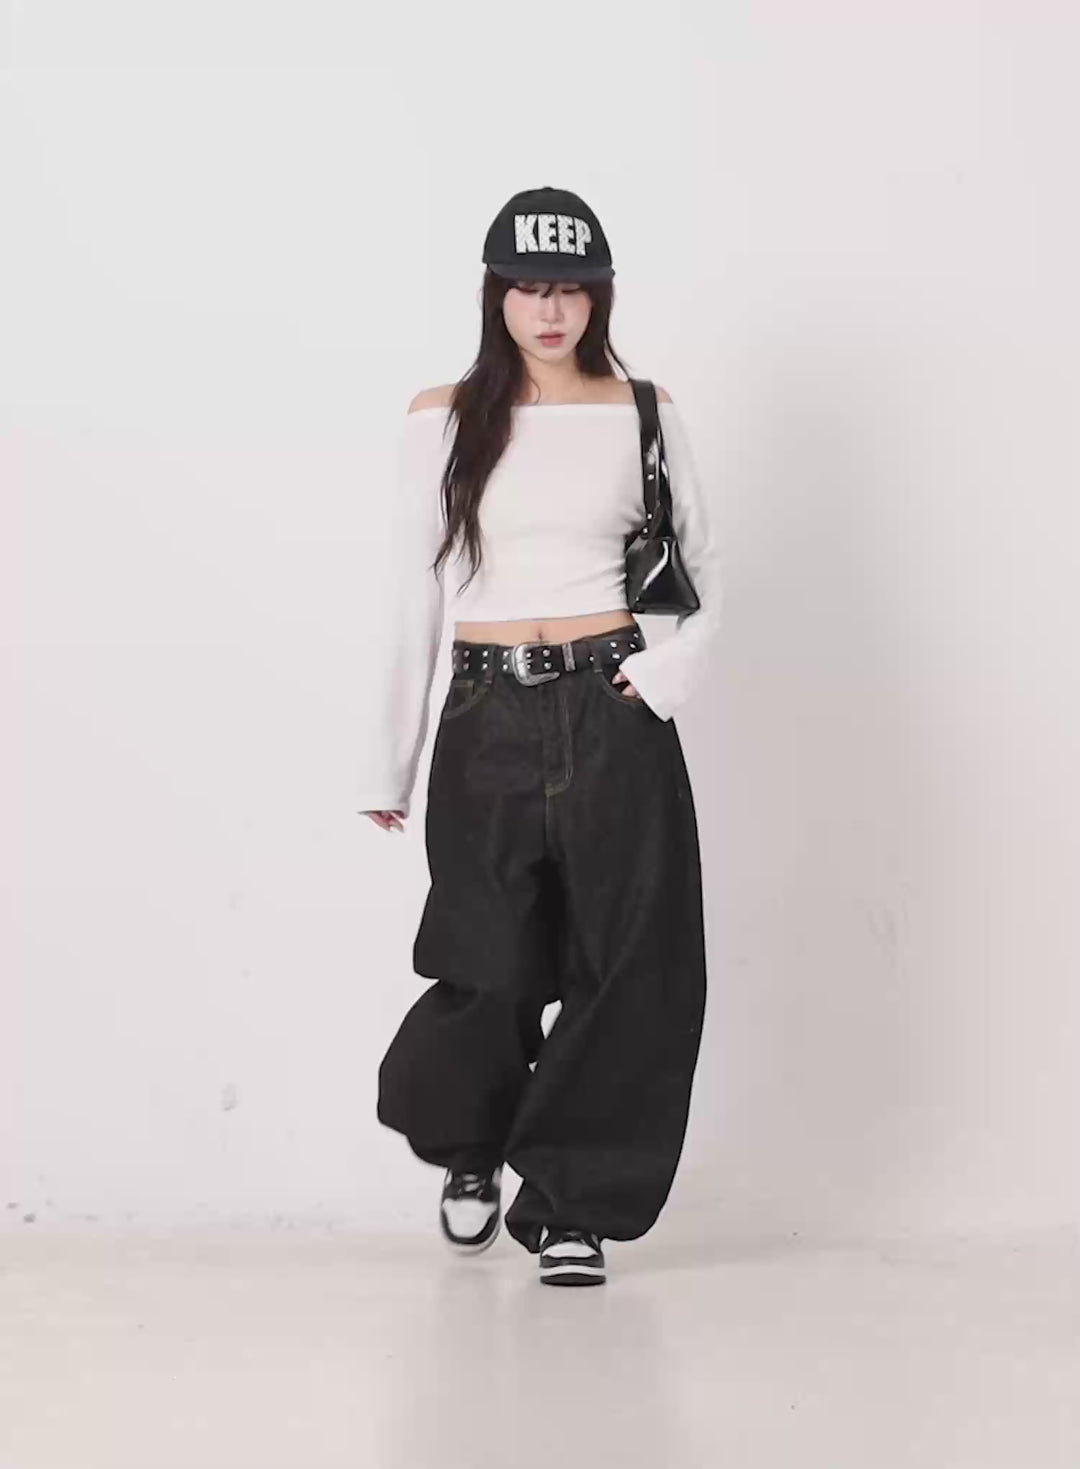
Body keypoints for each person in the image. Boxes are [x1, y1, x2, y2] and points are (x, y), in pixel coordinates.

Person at [357, 184, 724, 1287]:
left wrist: (654, 683)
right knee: (487, 959)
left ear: (599, 295)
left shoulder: (644, 411)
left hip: (613, 706)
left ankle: (572, 1205)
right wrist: (388, 760)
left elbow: (703, 568)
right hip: (486, 713)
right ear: (497, 296)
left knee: (628, 961)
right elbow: (410, 590)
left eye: (570, 288)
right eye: (528, 288)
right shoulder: (443, 415)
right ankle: (472, 1142)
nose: (550, 310)